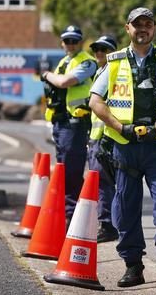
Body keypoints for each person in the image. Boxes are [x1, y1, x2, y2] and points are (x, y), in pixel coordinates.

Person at [89, 7, 156, 287]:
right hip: (125, 146)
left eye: (148, 24)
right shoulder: (115, 61)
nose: (143, 29)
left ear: (154, 29)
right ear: (127, 29)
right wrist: (120, 128)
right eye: (137, 25)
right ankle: (133, 266)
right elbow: (95, 101)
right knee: (126, 206)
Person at [41, 25, 97, 225]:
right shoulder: (64, 61)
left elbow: (65, 82)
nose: (71, 44)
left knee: (72, 172)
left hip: (75, 124)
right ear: (62, 42)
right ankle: (68, 215)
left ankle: (71, 218)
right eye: (67, 41)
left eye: (75, 41)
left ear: (81, 42)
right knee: (63, 171)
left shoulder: (87, 62)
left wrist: (46, 75)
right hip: (60, 122)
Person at [86, 35, 119, 243]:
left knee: (104, 182)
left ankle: (107, 225)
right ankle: (108, 223)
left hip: (106, 137)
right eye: (97, 49)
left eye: (104, 49)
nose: (99, 52)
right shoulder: (100, 72)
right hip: (96, 137)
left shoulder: (112, 73)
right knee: (101, 182)